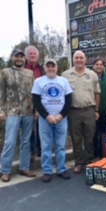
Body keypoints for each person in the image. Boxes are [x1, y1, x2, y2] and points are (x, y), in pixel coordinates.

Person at [31, 58, 73, 182]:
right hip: (45, 120)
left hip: (61, 119)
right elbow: (36, 101)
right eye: (48, 66)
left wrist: (61, 115)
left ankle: (61, 169)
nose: (50, 68)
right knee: (46, 146)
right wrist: (47, 116)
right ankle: (47, 171)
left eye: (52, 66)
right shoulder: (38, 81)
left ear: (56, 68)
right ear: (44, 68)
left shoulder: (63, 81)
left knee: (61, 146)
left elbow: (69, 100)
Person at [62, 50, 101, 173]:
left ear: (86, 60)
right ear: (73, 60)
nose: (79, 60)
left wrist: (96, 110)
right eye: (77, 57)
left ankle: (88, 161)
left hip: (89, 110)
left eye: (81, 58)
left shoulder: (92, 75)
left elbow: (97, 94)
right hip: (73, 112)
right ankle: (78, 163)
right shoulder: (65, 75)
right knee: (76, 139)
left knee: (89, 138)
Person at [0, 49, 36, 182]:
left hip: (28, 111)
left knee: (26, 141)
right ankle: (5, 170)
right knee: (9, 142)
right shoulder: (5, 72)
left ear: (24, 59)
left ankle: (24, 167)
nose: (19, 59)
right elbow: (1, 92)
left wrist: (36, 110)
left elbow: (34, 93)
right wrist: (1, 110)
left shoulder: (30, 73)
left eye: (21, 57)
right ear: (12, 58)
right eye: (17, 56)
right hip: (12, 112)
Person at [25, 45, 45, 161]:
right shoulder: (21, 68)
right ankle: (30, 153)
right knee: (28, 130)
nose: (32, 55)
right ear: (26, 56)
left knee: (41, 128)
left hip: (41, 103)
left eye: (34, 54)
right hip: (26, 104)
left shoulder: (42, 69)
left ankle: (41, 151)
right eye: (30, 54)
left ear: (38, 56)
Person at [92, 57, 106, 158]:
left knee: (104, 133)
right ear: (94, 66)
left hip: (105, 111)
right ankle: (94, 154)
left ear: (104, 66)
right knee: (93, 133)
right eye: (97, 64)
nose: (99, 66)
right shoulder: (90, 76)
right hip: (93, 110)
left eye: (101, 64)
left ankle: (103, 153)